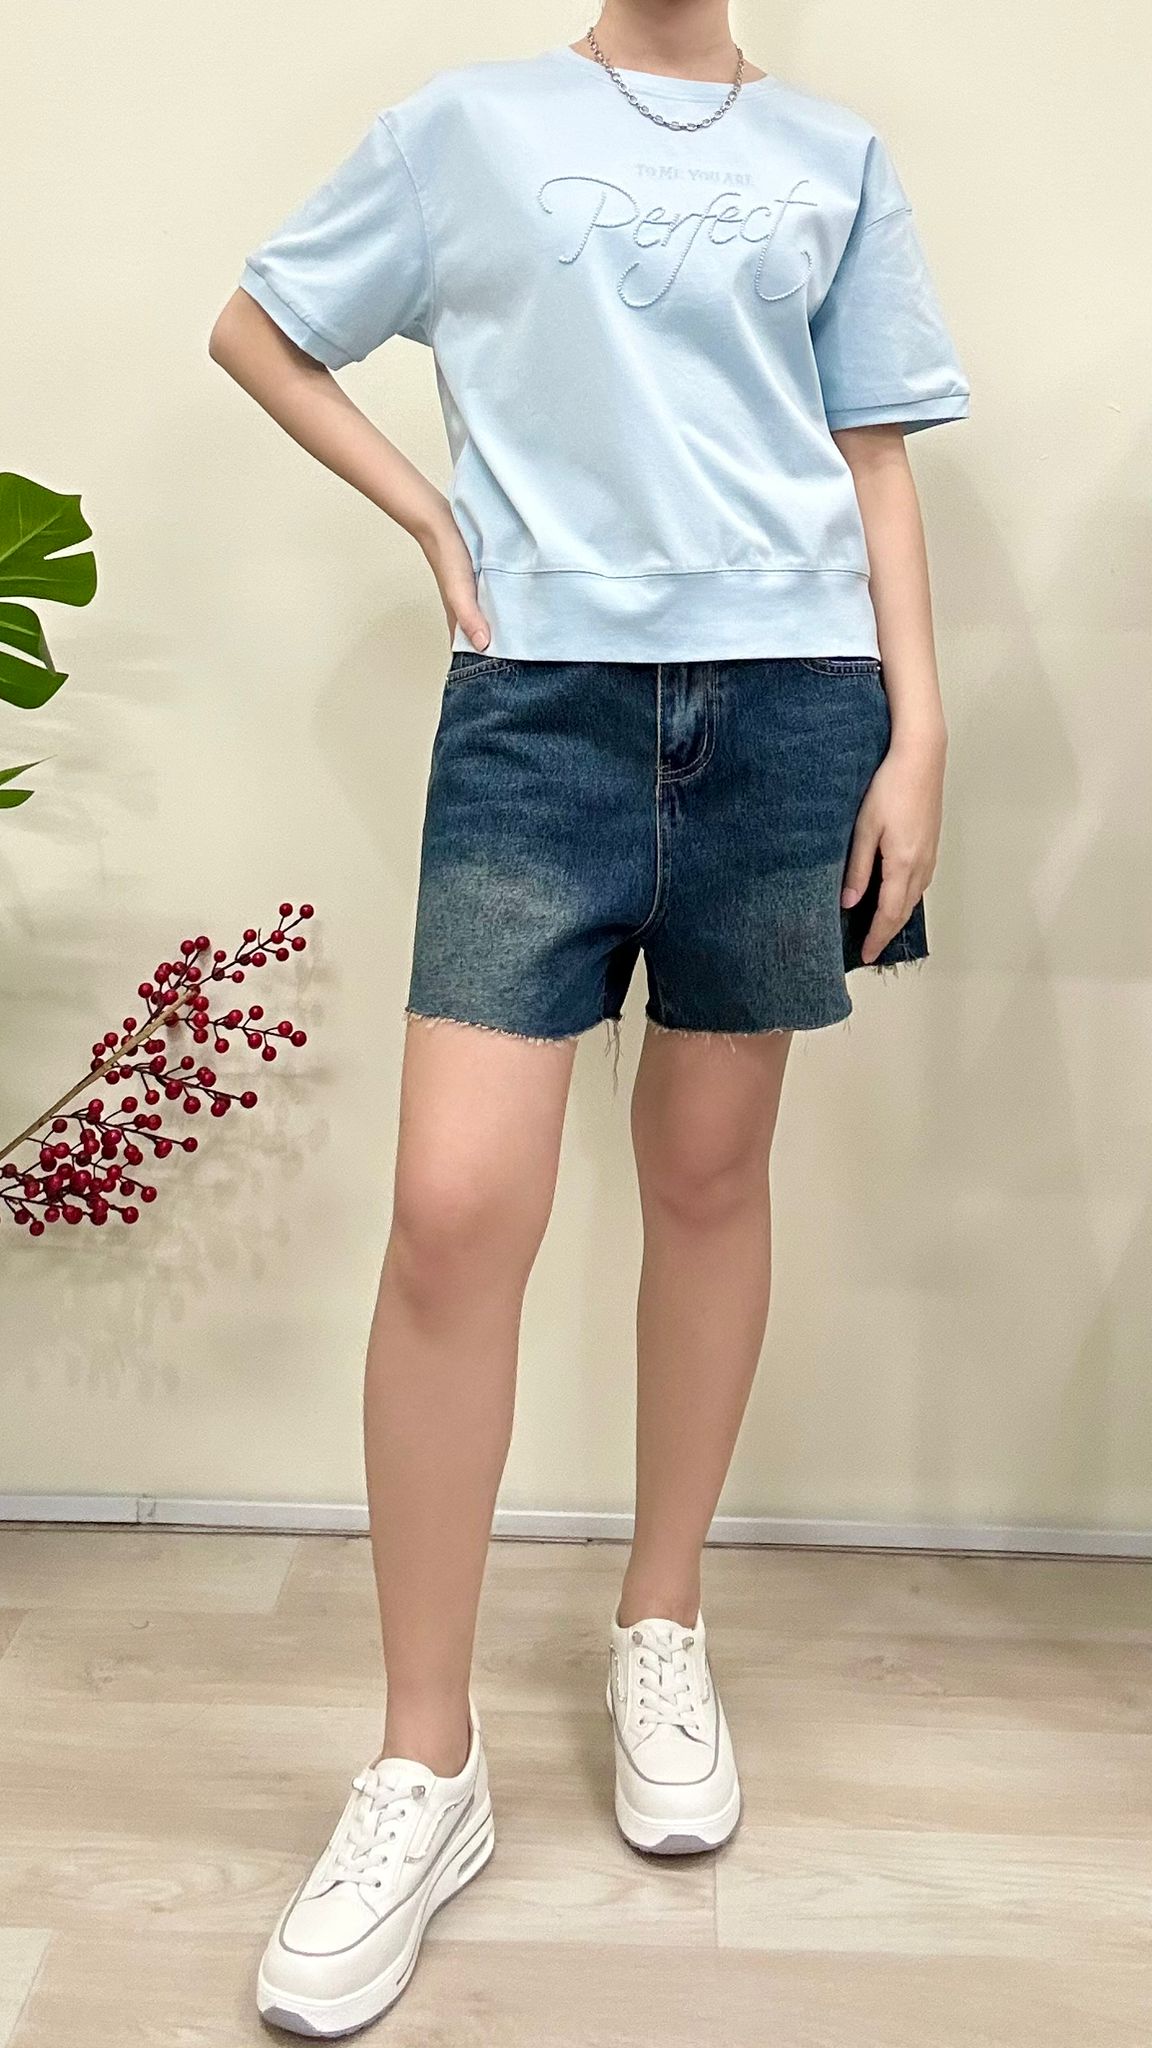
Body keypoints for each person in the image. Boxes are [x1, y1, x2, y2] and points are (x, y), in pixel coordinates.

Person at [209, 2, 970, 2034]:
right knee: (455, 1212)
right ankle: (424, 1759)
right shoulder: (465, 128)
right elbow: (261, 329)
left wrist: (920, 729)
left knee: (710, 1179)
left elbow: (871, 456)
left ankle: (661, 1625)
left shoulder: (835, 157)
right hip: (536, 714)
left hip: (793, 706)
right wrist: (428, 510)